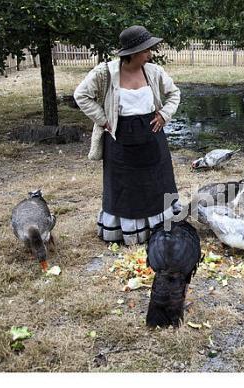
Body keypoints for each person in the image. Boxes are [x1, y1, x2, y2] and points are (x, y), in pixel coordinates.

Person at [74, 25, 181, 245]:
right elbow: (81, 95)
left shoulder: (154, 71)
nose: (150, 54)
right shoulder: (105, 73)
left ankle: (158, 228)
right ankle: (129, 232)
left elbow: (174, 94)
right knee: (125, 186)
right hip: (120, 140)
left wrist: (163, 114)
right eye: (146, 50)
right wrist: (103, 120)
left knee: (155, 183)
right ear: (133, 53)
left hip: (152, 137)